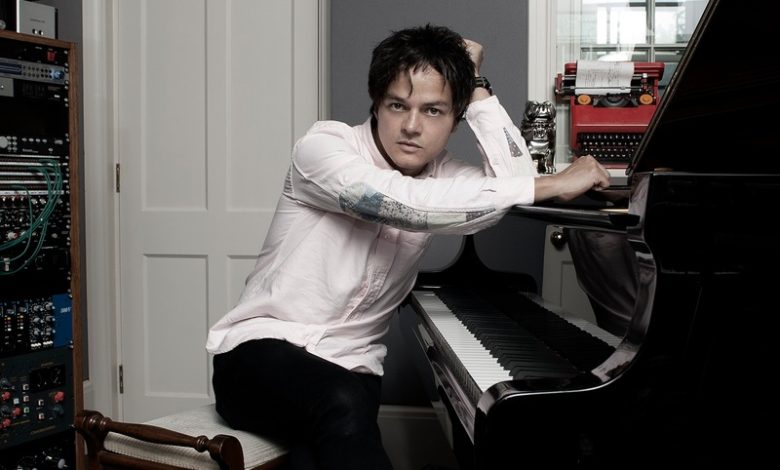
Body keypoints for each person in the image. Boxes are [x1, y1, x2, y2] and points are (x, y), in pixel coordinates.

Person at [206, 24, 610, 470]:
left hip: (352, 368)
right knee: (339, 404)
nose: (412, 127)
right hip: (258, 355)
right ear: (376, 104)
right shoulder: (323, 148)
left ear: (456, 118)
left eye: (434, 110)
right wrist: (552, 183)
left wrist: (475, 85)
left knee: (313, 451)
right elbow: (403, 204)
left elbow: (512, 191)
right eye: (398, 105)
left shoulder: (446, 176)